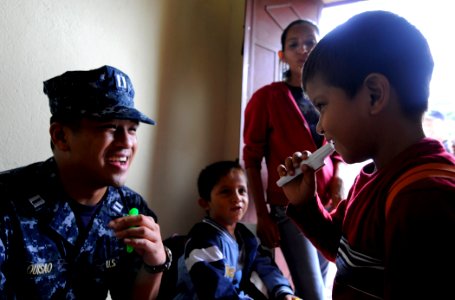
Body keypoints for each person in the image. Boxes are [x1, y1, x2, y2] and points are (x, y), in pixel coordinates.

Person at [277, 11, 455, 300]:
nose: (320, 126)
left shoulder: (423, 197)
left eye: (322, 106)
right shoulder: (374, 176)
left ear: (374, 95)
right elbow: (346, 253)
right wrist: (307, 205)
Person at [0, 65, 172, 299]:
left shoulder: (132, 208)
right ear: (61, 137)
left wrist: (154, 264)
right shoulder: (7, 201)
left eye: (132, 129)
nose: (126, 143)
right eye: (110, 127)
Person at [242, 19, 344, 299]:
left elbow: (334, 147)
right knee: (314, 293)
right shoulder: (266, 98)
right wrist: (262, 215)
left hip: (325, 205)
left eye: (311, 42)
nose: (304, 49)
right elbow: (251, 159)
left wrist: (337, 178)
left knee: (322, 284)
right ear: (282, 55)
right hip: (289, 208)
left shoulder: (329, 97)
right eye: (294, 44)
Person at [173, 160, 297, 300]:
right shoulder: (203, 240)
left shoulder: (245, 237)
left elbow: (266, 266)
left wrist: (284, 292)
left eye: (242, 190)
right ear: (205, 203)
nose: (237, 198)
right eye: (226, 192)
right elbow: (215, 291)